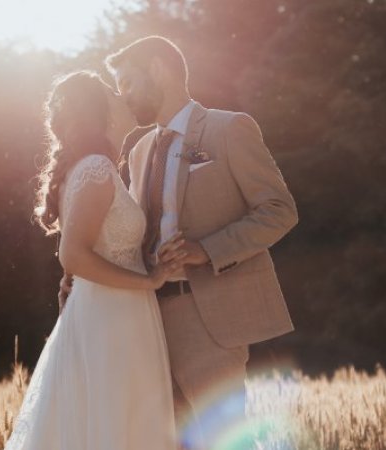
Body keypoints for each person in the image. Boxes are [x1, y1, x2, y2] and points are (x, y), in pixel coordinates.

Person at [59, 36, 299, 449]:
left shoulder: (230, 129)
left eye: (128, 83)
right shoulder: (138, 151)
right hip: (144, 322)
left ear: (157, 69)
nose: (124, 97)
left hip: (209, 320)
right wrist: (84, 277)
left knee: (219, 441)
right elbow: (130, 234)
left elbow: (280, 210)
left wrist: (208, 249)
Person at [4, 71, 185, 450]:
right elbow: (72, 255)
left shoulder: (100, 168)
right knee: (115, 424)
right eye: (110, 91)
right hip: (111, 316)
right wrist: (150, 280)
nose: (121, 94)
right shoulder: (95, 169)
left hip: (118, 312)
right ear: (99, 110)